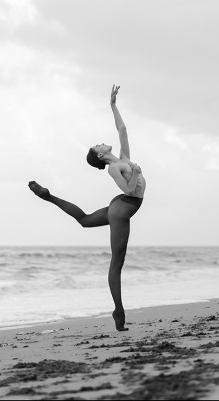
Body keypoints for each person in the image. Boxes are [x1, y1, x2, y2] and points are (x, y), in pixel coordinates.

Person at [28, 85, 146, 331]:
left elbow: (122, 129)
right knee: (116, 262)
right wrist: (135, 172)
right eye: (97, 146)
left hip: (119, 206)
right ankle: (118, 310)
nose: (101, 143)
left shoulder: (123, 158)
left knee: (84, 220)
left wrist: (112, 105)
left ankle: (48, 196)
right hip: (123, 207)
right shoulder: (117, 168)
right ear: (100, 156)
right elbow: (128, 189)